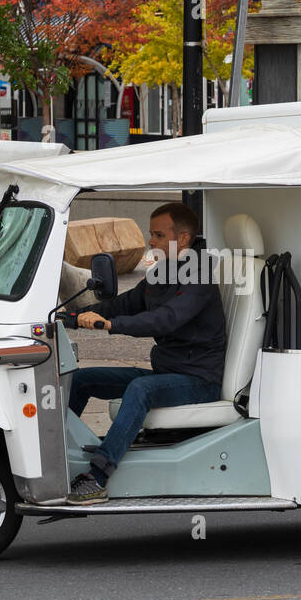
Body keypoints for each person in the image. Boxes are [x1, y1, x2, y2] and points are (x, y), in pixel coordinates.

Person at [63, 202, 227, 504]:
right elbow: (122, 304)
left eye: (158, 235)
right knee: (82, 379)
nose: (151, 242)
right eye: (151, 234)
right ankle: (57, 451)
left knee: (140, 389)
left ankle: (97, 477)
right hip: (168, 374)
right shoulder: (160, 274)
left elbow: (166, 318)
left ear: (184, 239)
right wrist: (74, 316)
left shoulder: (199, 278)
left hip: (199, 380)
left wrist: (110, 325)